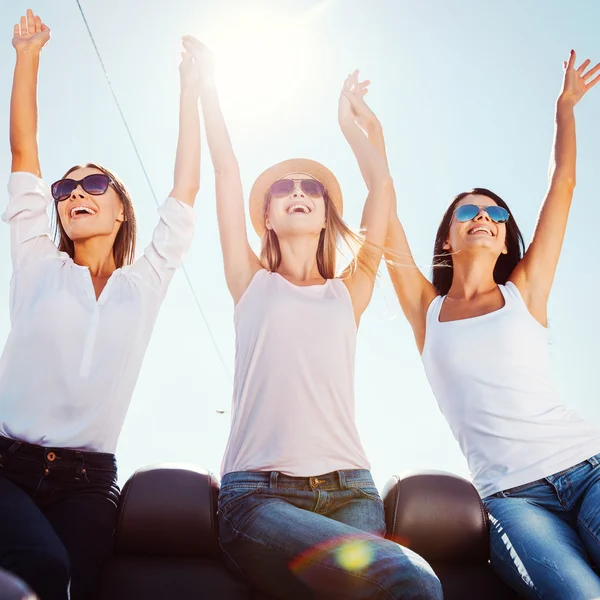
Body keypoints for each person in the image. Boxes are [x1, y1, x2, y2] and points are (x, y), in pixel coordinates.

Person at [185, 34, 443, 600]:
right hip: (257, 496)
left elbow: (381, 189)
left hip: (352, 491)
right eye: (284, 189)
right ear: (268, 217)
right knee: (407, 577)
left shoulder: (348, 293)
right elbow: (228, 174)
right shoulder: (250, 282)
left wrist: (352, 127)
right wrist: (207, 90)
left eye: (312, 188)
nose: (299, 192)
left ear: (326, 213)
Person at [384, 50, 600, 598]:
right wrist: (371, 140)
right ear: (447, 238)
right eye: (468, 212)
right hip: (514, 498)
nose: (484, 217)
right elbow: (384, 219)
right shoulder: (425, 310)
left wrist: (566, 109)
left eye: (496, 214)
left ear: (505, 237)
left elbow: (565, 183)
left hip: (589, 468)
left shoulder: (525, 291)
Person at [0, 10, 201, 600]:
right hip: (5, 468)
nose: (74, 195)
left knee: (76, 585)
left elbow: (184, 192)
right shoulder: (37, 261)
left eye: (94, 186)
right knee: (42, 567)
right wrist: (28, 57)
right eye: (65, 189)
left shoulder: (146, 282)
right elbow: (23, 154)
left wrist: (191, 91)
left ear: (121, 210)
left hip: (87, 484)